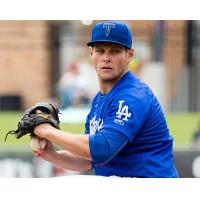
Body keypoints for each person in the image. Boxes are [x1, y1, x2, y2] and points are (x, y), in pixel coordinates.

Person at [32, 21, 178, 178]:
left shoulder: (132, 96)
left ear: (129, 55)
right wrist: (53, 155)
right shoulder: (99, 99)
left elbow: (102, 149)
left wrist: (48, 131)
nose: (106, 58)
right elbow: (88, 159)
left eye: (114, 51)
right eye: (100, 51)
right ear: (91, 53)